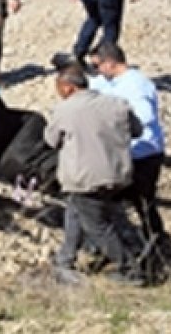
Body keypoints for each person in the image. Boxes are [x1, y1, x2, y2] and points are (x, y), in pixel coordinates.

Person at [46, 65, 145, 286]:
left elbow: (51, 141)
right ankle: (65, 260)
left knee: (96, 226)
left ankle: (131, 270)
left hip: (85, 177)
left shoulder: (65, 109)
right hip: (118, 173)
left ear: (68, 88)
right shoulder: (117, 104)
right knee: (74, 212)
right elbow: (137, 131)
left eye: (59, 89)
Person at [90, 42, 167, 245]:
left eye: (97, 66)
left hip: (143, 154)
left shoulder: (136, 85)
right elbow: (91, 88)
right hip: (123, 153)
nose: (96, 71)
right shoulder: (109, 82)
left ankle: (155, 243)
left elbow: (145, 118)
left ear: (109, 63)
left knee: (143, 203)